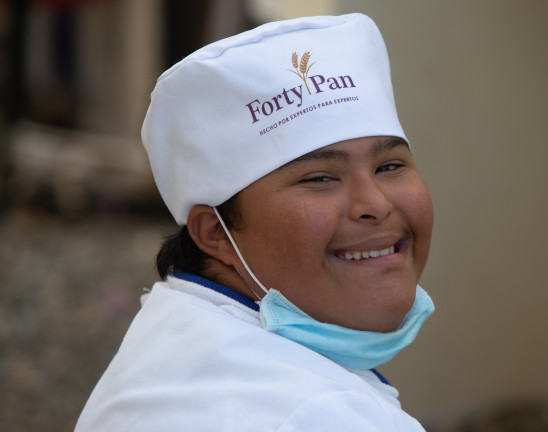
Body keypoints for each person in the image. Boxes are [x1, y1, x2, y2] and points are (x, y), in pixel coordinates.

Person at [74, 13, 435, 432]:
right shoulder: (318, 416)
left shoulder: (179, 341)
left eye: (389, 166)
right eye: (320, 179)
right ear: (215, 232)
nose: (375, 203)